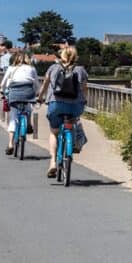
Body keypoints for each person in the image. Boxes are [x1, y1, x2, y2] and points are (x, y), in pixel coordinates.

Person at [36, 47, 88, 178]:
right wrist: (83, 101)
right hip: (75, 106)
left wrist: (40, 97)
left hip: (56, 104)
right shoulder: (80, 69)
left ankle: (53, 161)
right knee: (74, 120)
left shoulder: (53, 68)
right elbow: (84, 88)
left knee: (54, 131)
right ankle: (75, 142)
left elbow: (45, 85)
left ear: (62, 56)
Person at [0, 52, 38, 155]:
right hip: (28, 93)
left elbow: (3, 83)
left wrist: (2, 91)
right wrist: (37, 94)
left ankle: (10, 144)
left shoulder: (11, 68)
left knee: (13, 117)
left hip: (14, 94)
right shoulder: (32, 68)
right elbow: (36, 84)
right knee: (29, 106)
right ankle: (29, 123)